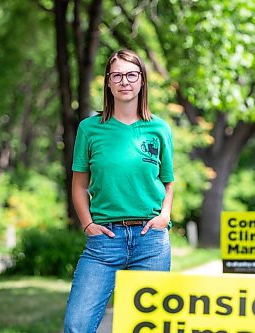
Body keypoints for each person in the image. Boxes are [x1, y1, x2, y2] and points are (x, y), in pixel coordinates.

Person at [63, 49, 174, 333]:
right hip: (104, 242)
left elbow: (168, 183)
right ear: (109, 83)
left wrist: (164, 216)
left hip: (150, 242)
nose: (125, 81)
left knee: (143, 329)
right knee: (76, 325)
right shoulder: (90, 129)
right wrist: (87, 224)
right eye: (117, 75)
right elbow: (78, 186)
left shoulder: (159, 129)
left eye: (131, 75)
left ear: (142, 81)